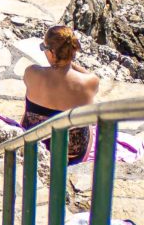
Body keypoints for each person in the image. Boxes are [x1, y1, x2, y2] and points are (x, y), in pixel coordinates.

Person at [21, 26, 100, 165]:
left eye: (43, 47)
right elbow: (90, 75)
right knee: (88, 124)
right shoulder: (90, 82)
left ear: (51, 52)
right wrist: (68, 61)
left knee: (29, 105)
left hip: (35, 146)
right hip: (71, 155)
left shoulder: (31, 72)